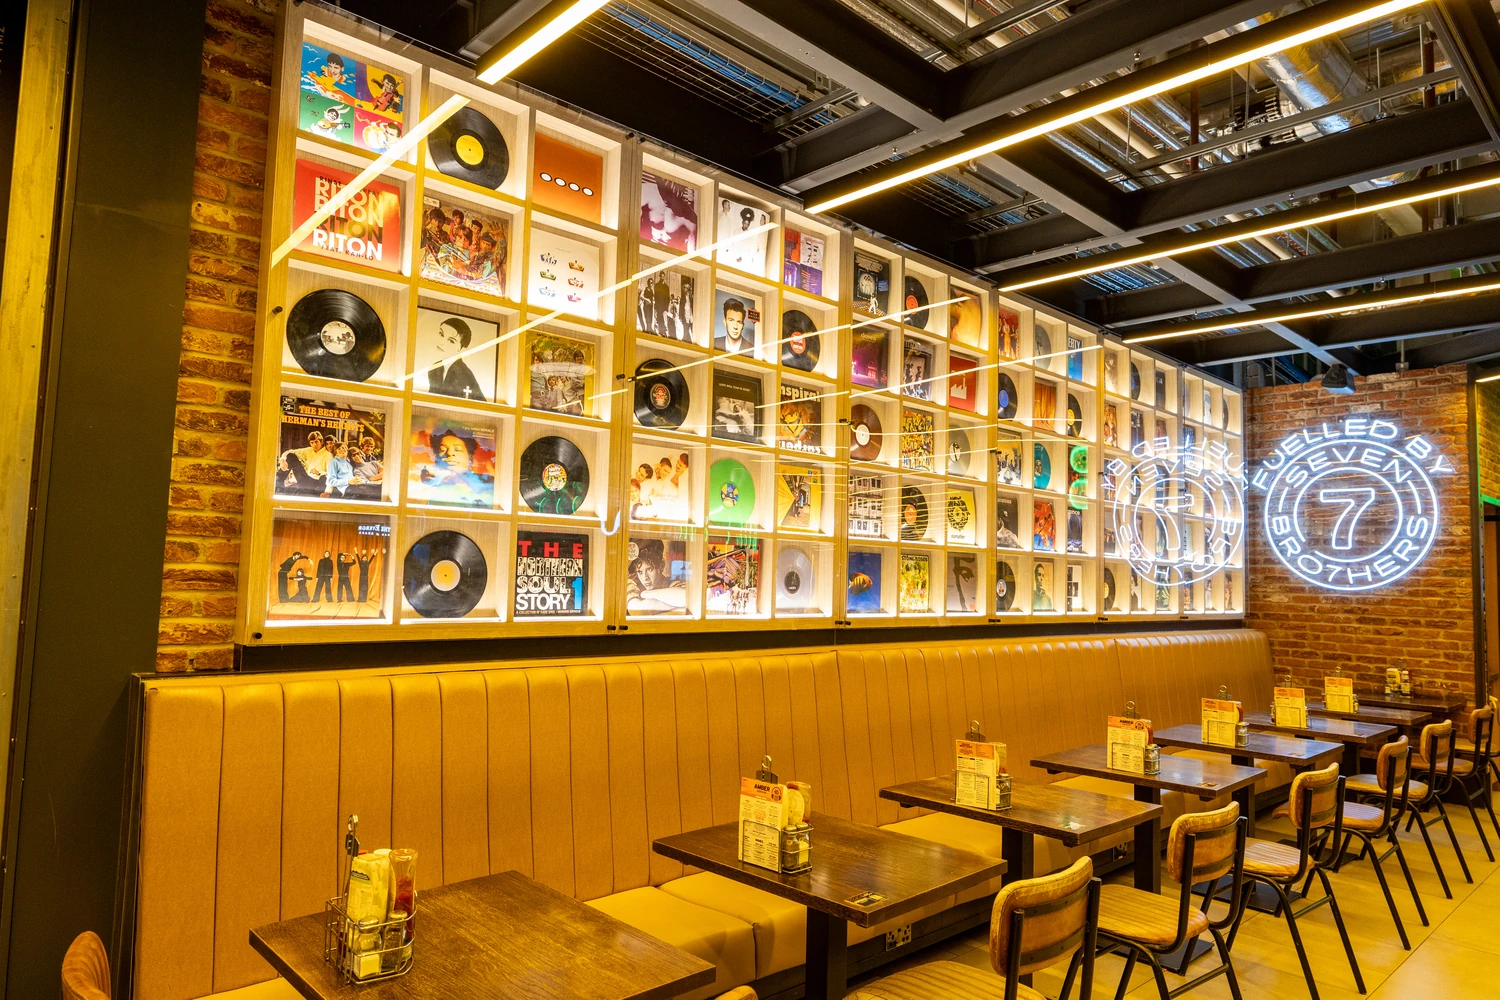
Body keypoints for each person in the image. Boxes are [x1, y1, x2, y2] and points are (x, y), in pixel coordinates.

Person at [419, 427, 492, 506]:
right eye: (442, 450)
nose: (449, 453)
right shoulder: (431, 489)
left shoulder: (489, 483)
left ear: (470, 458)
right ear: (437, 458)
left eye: (457, 449)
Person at [425, 316, 486, 401]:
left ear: (460, 348)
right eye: (441, 334)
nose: (442, 342)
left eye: (451, 341)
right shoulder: (433, 369)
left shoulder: (464, 374)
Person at [626, 540, 686, 614]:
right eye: (640, 572)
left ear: (661, 567)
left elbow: (686, 598)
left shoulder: (672, 583)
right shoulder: (632, 584)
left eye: (650, 569)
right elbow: (639, 610)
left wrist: (649, 594)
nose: (645, 578)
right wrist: (676, 604)